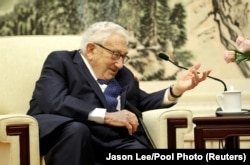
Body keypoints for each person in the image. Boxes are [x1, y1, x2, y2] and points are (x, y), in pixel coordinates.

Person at [27, 21, 211, 165]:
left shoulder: (123, 75)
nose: (120, 64)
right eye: (116, 55)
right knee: (76, 130)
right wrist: (107, 116)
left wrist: (175, 90)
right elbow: (54, 101)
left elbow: (141, 102)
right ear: (91, 50)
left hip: (113, 142)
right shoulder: (61, 61)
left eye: (124, 56)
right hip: (68, 133)